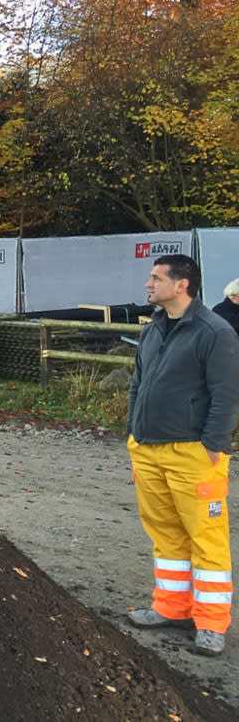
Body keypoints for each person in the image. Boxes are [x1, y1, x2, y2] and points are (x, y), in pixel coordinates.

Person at [126, 254, 239, 657]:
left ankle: (210, 622)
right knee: (165, 532)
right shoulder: (154, 328)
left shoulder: (215, 332)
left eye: (156, 278)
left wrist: (213, 445)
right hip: (148, 449)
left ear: (182, 285)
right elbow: (138, 380)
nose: (148, 284)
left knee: (206, 538)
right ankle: (171, 607)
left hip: (193, 453)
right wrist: (133, 431)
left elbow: (227, 395)